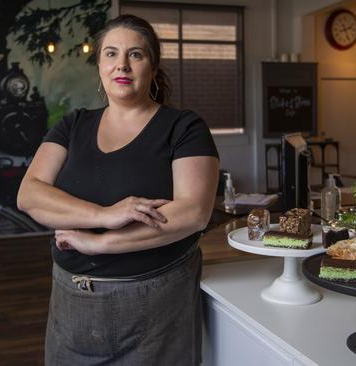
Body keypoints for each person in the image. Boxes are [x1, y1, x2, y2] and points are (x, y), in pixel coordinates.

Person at [17, 14, 220, 365]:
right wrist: (105, 216)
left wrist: (100, 242)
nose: (121, 64)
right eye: (110, 54)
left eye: (136, 54)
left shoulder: (184, 128)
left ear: (153, 68)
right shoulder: (73, 124)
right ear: (99, 65)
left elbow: (193, 213)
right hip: (69, 303)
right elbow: (29, 194)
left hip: (156, 308)